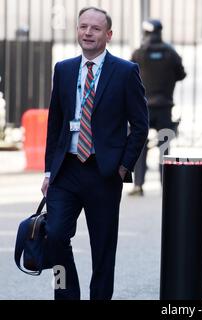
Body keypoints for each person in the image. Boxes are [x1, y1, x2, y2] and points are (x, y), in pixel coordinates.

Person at [41, 7, 149, 300]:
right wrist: (49, 171)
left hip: (104, 171)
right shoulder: (63, 69)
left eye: (95, 29)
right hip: (67, 169)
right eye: (83, 27)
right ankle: (67, 295)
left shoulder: (126, 72)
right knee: (56, 235)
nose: (88, 33)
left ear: (108, 35)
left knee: (103, 247)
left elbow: (140, 125)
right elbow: (56, 123)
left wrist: (124, 166)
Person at [130, 19, 186, 195]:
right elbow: (181, 74)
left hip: (143, 107)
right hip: (165, 107)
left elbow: (130, 76)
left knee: (140, 145)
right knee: (165, 146)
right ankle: (166, 185)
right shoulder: (170, 53)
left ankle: (138, 185)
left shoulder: (139, 53)